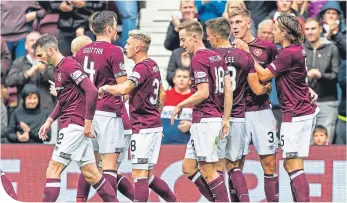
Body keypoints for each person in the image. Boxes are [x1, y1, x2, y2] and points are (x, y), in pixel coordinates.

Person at [237, 14, 319, 202]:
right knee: (292, 164)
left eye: (275, 29)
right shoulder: (297, 50)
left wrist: (247, 53)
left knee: (292, 165)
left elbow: (265, 76)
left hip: (295, 113)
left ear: (284, 32)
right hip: (302, 110)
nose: (272, 33)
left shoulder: (288, 53)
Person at [33, 34, 118, 202]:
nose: (40, 60)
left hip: (74, 125)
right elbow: (64, 100)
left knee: (53, 169)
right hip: (73, 124)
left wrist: (88, 122)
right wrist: (49, 120)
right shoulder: (58, 68)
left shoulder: (69, 65)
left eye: (41, 55)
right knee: (92, 174)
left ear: (50, 50)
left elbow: (92, 90)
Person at [98, 30, 178, 202]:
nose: (125, 47)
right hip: (153, 124)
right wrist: (155, 117)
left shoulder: (141, 68)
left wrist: (106, 88)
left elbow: (125, 88)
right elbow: (162, 94)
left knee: (139, 174)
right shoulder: (153, 65)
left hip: (143, 127)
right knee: (148, 176)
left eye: (128, 44)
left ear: (138, 48)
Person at [206, 17, 272, 202]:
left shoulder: (209, 57)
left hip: (216, 115)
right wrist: (267, 88)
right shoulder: (244, 56)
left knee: (217, 166)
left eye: (210, 36)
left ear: (216, 36)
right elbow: (258, 89)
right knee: (234, 165)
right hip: (239, 115)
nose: (209, 39)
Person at [74, 11, 133, 202]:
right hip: (108, 112)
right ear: (109, 28)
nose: (116, 30)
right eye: (115, 26)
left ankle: (80, 200)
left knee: (90, 164)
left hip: (87, 114)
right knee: (109, 166)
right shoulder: (115, 50)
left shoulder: (82, 51)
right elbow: (124, 86)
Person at [171, 19, 232, 202]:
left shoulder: (198, 58)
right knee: (188, 167)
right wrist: (226, 118)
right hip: (212, 118)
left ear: (195, 37)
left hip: (206, 120)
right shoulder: (216, 56)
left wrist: (181, 104)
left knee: (208, 170)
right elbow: (228, 88)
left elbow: (203, 93)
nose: (181, 45)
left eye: (183, 40)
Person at [229, 7, 279, 202]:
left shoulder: (268, 48)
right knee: (234, 165)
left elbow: (280, 75)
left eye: (238, 22)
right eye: (232, 23)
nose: (235, 27)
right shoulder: (226, 49)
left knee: (269, 163)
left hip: (261, 112)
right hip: (237, 113)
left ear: (249, 23)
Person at [304, 18, 339, 143]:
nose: (310, 32)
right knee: (306, 144)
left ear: (320, 29)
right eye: (307, 29)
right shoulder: (300, 49)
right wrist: (306, 75)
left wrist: (320, 75)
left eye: (313, 28)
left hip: (328, 101)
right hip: (305, 103)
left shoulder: (331, 48)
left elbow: (336, 75)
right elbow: (294, 76)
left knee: (325, 143)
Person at [6, 32, 56, 112]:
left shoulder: (49, 61)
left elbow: (58, 80)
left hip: (46, 109)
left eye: (37, 41)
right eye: (31, 40)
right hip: (24, 109)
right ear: (25, 45)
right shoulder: (19, 62)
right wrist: (27, 74)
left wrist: (44, 71)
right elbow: (9, 81)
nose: (34, 43)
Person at [162, 68, 193, 144]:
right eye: (179, 76)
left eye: (185, 77)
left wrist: (191, 126)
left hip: (188, 146)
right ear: (174, 80)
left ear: (190, 81)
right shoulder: (164, 95)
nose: (181, 79)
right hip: (163, 144)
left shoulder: (195, 98)